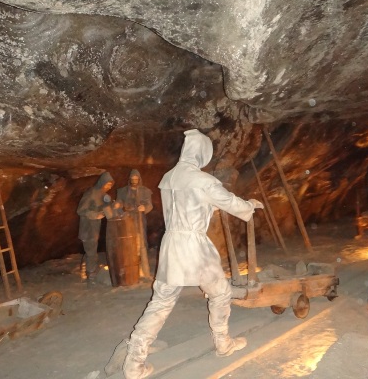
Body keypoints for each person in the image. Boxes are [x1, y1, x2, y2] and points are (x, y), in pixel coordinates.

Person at [105, 129, 264, 378]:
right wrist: (249, 206)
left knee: (161, 301)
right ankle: (223, 344)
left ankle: (134, 362)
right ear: (201, 152)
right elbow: (231, 203)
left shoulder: (169, 177)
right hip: (194, 245)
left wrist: (209, 207)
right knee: (221, 293)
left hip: (171, 244)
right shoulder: (202, 180)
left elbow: (189, 205)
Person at [77, 172, 115, 283]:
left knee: (91, 250)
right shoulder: (91, 192)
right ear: (102, 182)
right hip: (87, 228)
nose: (109, 187)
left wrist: (113, 206)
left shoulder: (103, 195)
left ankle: (86, 270)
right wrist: (95, 215)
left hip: (95, 228)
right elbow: (80, 210)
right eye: (107, 184)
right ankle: (91, 275)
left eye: (111, 185)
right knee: (91, 252)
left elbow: (106, 209)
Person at [116, 169, 153, 251]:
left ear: (139, 179)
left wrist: (144, 208)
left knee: (140, 237)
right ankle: (130, 255)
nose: (134, 181)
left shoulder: (145, 191)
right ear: (129, 179)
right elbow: (119, 203)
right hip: (127, 218)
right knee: (128, 237)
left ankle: (141, 255)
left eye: (136, 179)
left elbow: (149, 204)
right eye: (132, 179)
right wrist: (119, 206)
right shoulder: (123, 191)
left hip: (140, 218)